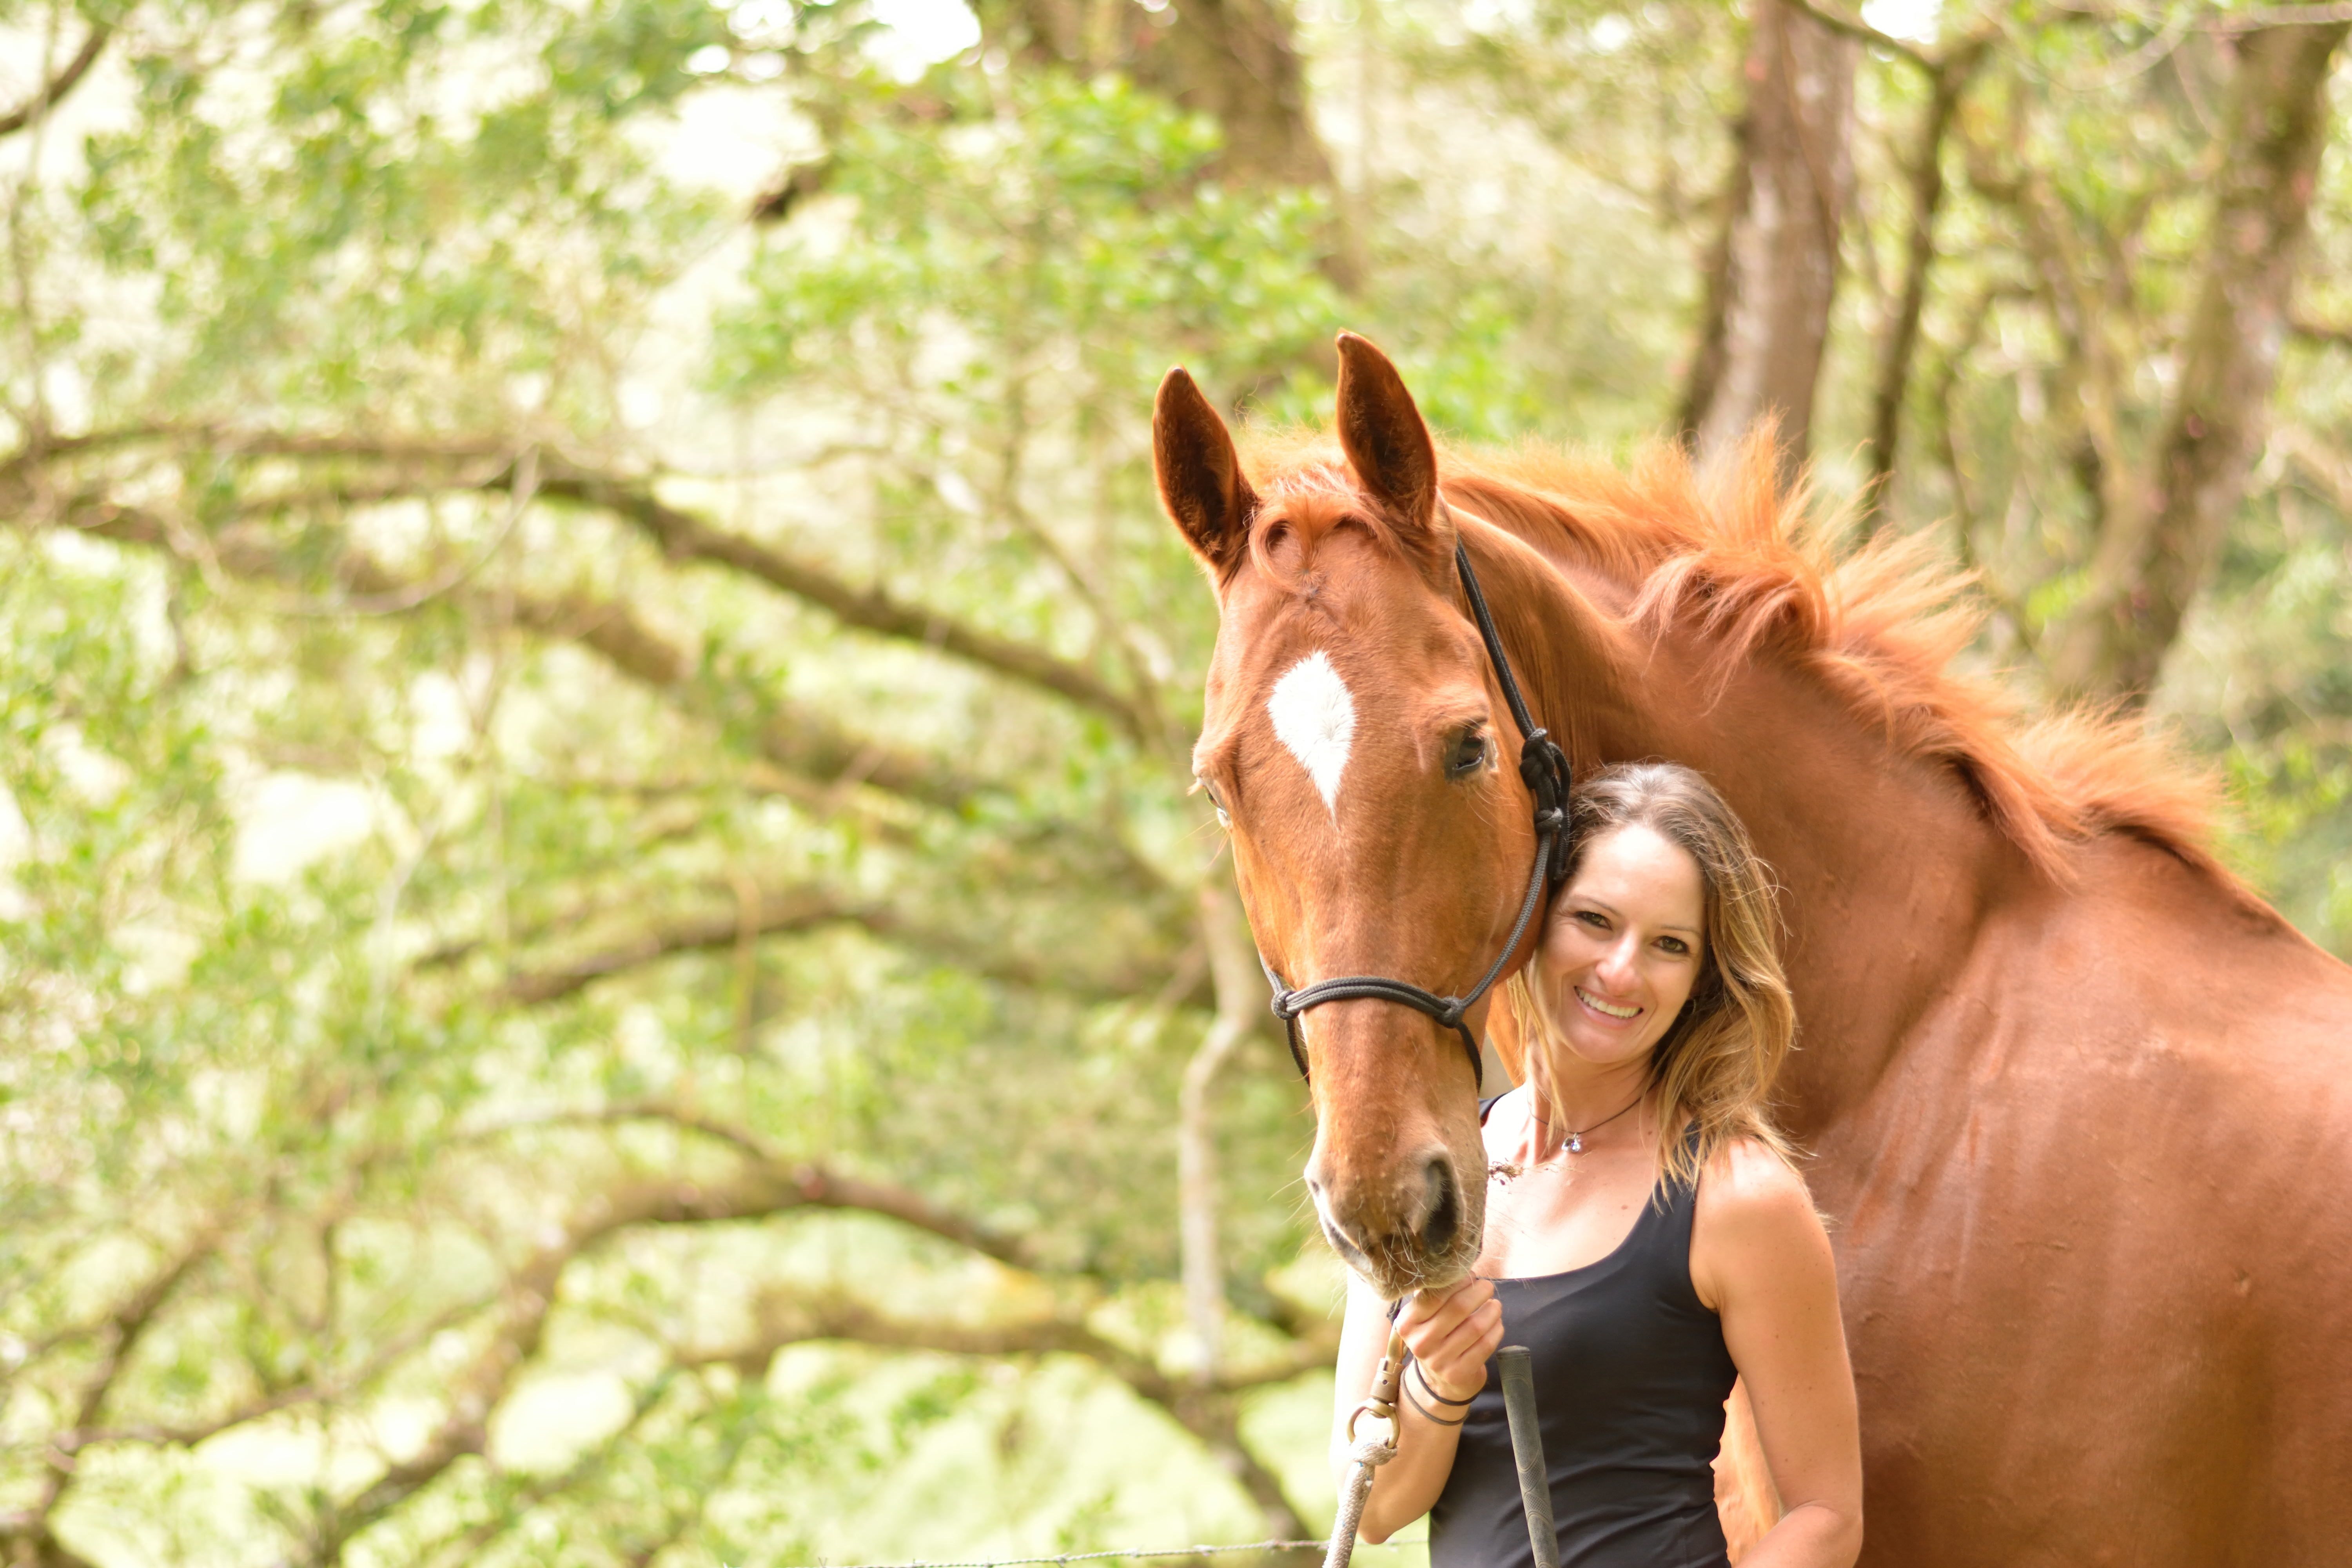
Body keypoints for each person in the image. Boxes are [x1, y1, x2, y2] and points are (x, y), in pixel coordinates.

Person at [1330, 762, 1862, 1567]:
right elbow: (1371, 1510)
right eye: (1594, 920)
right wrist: (1440, 1386)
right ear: (1532, 919)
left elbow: (1827, 1514)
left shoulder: (1737, 1197)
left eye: (1670, 945)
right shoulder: (1428, 1171)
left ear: (1702, 978)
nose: (1621, 970)